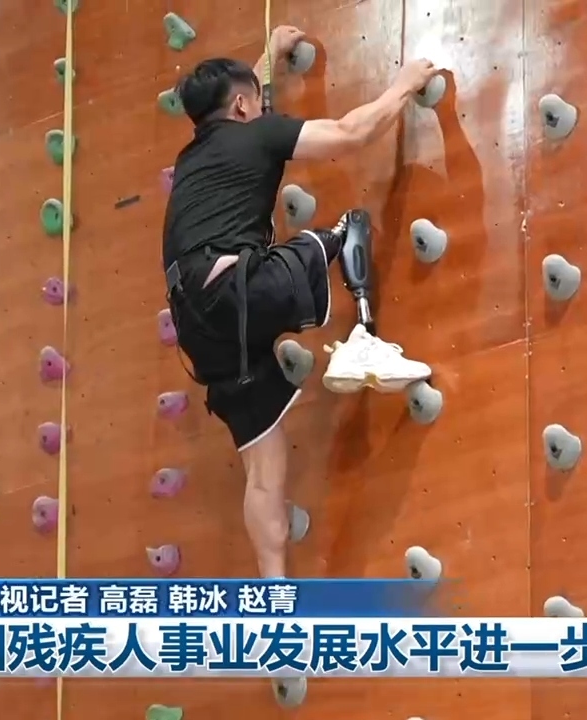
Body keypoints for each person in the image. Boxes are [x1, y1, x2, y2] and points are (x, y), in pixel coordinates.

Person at [162, 18, 434, 644]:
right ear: (243, 107)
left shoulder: (194, 158)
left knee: (263, 464)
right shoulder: (255, 134)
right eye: (255, 99)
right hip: (236, 291)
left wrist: (268, 55)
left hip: (199, 327)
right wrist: (404, 83)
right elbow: (351, 132)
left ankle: (274, 606)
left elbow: (242, 98)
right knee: (345, 228)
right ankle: (363, 340)